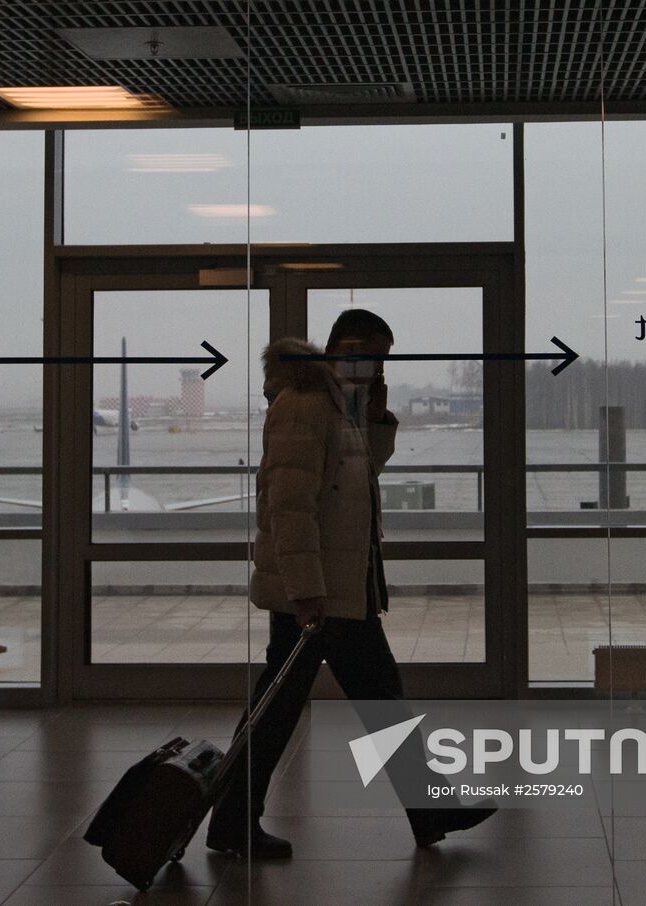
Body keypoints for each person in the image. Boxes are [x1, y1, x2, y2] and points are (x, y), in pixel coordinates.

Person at [205, 309, 495, 859]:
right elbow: (289, 507)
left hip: (337, 587)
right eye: (370, 354)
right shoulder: (304, 405)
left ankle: (234, 819)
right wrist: (307, 592)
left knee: (299, 702)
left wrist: (378, 421)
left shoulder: (340, 407)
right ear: (339, 348)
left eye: (383, 360)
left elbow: (359, 479)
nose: (375, 367)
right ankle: (235, 819)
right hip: (320, 594)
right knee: (330, 699)